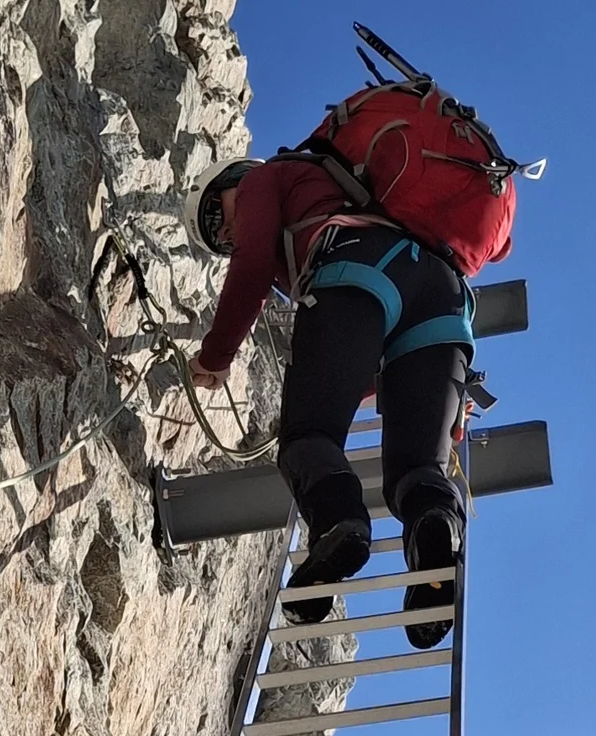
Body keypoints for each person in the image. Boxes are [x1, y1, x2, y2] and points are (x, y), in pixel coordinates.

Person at [187, 149, 473, 645]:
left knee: (307, 440)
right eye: (218, 241)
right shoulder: (338, 188)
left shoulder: (264, 179)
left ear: (234, 178)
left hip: (361, 265)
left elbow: (252, 265)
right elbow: (361, 371)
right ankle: (437, 538)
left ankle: (339, 526)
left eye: (217, 216)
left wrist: (215, 356)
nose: (228, 234)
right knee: (417, 470)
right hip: (444, 299)